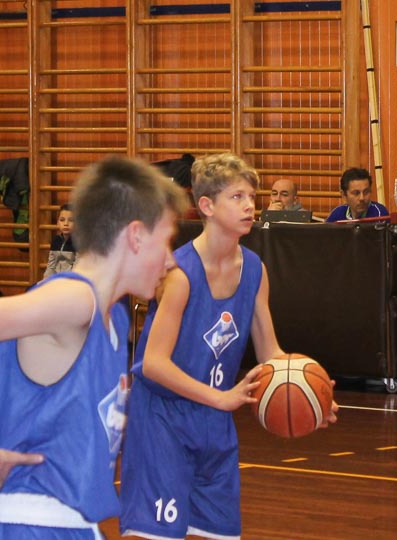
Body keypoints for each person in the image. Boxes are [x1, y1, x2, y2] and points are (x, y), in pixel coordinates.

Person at [0, 155, 189, 539]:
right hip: (28, 525)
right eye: (168, 241)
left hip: (72, 525)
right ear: (136, 236)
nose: (171, 260)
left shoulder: (114, 316)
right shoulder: (73, 300)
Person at [119, 153, 338, 539]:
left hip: (213, 421)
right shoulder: (180, 275)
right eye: (237, 197)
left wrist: (311, 395)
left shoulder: (254, 269)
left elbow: (270, 353)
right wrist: (220, 398)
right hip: (163, 418)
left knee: (219, 533)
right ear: (206, 205)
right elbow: (153, 363)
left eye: (251, 196)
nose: (249, 205)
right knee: (156, 534)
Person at [325, 167, 390, 222]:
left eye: (366, 192)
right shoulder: (337, 214)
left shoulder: (379, 214)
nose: (362, 198)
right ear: (344, 195)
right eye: (356, 193)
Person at [43, 203, 76, 279]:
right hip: (56, 280)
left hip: (71, 281)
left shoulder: (79, 243)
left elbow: (77, 269)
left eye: (71, 220)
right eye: (62, 220)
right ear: (57, 223)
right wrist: (46, 281)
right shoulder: (56, 240)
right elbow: (51, 266)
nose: (66, 224)